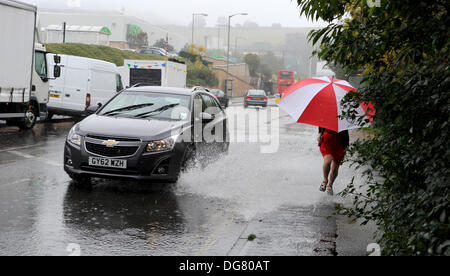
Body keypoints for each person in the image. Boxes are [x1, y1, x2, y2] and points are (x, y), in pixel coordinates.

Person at [317, 127, 350, 195]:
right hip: (327, 139)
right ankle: (325, 180)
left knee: (335, 166)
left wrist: (346, 147)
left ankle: (330, 185)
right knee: (328, 160)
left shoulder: (343, 118)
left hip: (340, 142)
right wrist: (320, 133)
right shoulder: (327, 116)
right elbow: (321, 122)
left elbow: (346, 133)